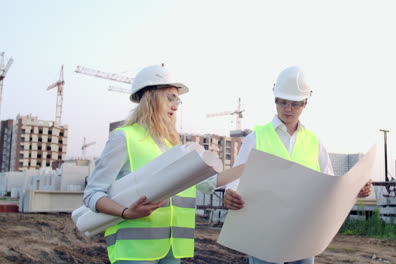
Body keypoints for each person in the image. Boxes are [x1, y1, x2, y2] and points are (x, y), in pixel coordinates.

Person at [223, 66, 373, 264]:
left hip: (303, 235)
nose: (288, 109)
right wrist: (230, 193)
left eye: (294, 104)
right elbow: (235, 177)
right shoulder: (256, 137)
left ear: (305, 103)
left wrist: (357, 190)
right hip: (263, 234)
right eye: (283, 102)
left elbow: (331, 186)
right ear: (275, 100)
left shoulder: (314, 142)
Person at [83, 65, 218, 264]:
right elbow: (92, 193)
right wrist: (126, 212)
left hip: (172, 249)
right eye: (170, 97)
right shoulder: (124, 137)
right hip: (134, 252)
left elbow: (207, 184)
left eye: (177, 100)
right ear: (150, 96)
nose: (175, 106)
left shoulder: (173, 146)